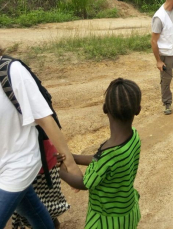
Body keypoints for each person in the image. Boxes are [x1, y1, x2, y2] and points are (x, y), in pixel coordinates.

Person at [0, 37, 82, 229]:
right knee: (35, 214)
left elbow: (46, 119)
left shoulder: (11, 71)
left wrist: (71, 166)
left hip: (18, 164)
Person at [59, 78, 142, 229]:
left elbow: (84, 183)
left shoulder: (108, 154)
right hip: (127, 210)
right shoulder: (134, 137)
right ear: (138, 109)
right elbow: (100, 162)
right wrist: (73, 157)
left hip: (107, 220)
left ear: (105, 109)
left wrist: (58, 171)